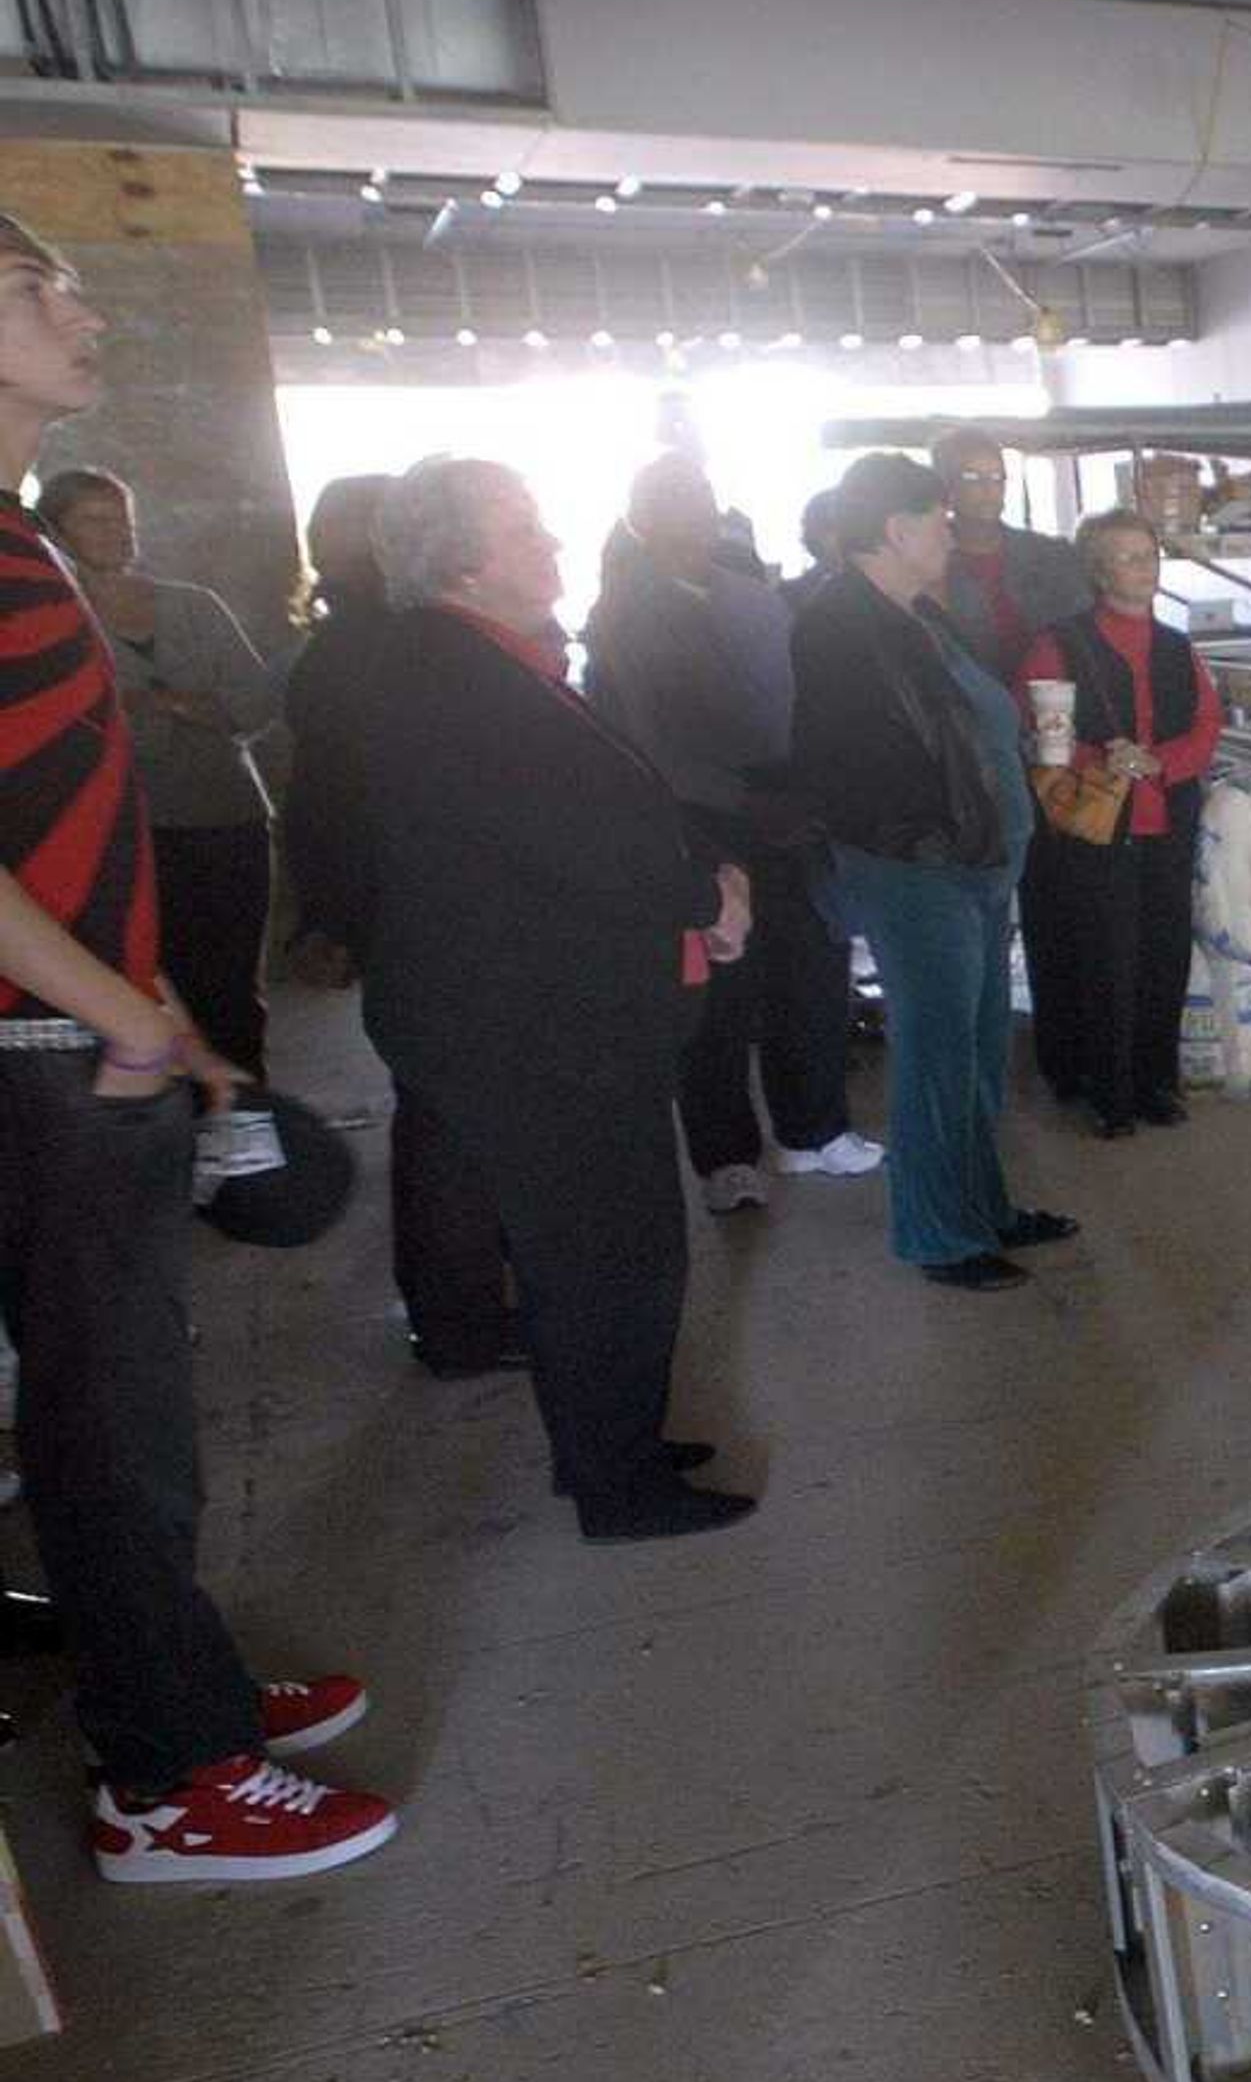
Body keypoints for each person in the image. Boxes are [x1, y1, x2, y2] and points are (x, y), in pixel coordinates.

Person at [0, 211, 393, 1881]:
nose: (83, 305)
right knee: (113, 1419)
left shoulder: (21, 545)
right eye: (40, 285)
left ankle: (183, 1674)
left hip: (80, 1030)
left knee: (122, 1404)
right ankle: (170, 1772)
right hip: (44, 1049)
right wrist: (120, 1020)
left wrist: (152, 1013)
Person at [362, 455, 758, 1543]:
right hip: (540, 1027)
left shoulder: (471, 658)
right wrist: (703, 892)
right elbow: (582, 838)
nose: (551, 541)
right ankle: (619, 1483)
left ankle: (608, 1442)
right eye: (525, 526)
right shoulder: (454, 674)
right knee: (608, 1255)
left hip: (539, 1013)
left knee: (588, 1252)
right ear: (460, 559)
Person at [788, 453, 1076, 1291]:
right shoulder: (837, 623)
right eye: (941, 520)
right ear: (897, 529)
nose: (954, 533)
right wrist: (930, 836)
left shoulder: (916, 612)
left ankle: (982, 1207)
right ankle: (938, 1234)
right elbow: (841, 766)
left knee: (978, 1048)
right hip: (921, 871)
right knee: (937, 1053)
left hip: (974, 863)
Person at [583, 453, 876, 1215]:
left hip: (787, 805)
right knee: (719, 991)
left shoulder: (750, 595)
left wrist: (807, 782)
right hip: (701, 820)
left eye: (706, 500)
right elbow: (647, 739)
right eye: (678, 503)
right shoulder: (623, 614)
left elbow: (798, 696)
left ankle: (813, 1127)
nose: (698, 517)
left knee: (810, 966)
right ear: (641, 520)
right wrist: (742, 802)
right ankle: (726, 1157)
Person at [280, 471, 524, 1380]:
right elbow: (333, 807)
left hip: (422, 917)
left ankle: (464, 1303)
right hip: (426, 923)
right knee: (449, 1130)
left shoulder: (374, 645)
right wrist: (335, 916)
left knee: (451, 1123)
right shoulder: (368, 655)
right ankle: (458, 1319)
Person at [39, 467, 283, 1082]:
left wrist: (161, 703)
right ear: (57, 532)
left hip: (223, 816)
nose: (116, 531)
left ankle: (247, 1120)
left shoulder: (193, 607)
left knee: (232, 983)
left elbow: (255, 705)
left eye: (121, 517)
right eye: (95, 520)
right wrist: (195, 704)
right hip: (128, 831)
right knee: (156, 978)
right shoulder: (54, 621)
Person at [1014, 510, 1223, 1136]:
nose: (1145, 566)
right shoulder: (1058, 644)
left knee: (1163, 954)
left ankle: (1155, 1081)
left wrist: (1160, 764)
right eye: (1129, 557)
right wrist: (1103, 757)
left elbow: (1207, 727)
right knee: (1103, 957)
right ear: (1099, 571)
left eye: (1149, 553)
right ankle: (1107, 1088)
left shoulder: (1178, 647)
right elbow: (1042, 733)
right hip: (1098, 827)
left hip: (1166, 823)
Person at [924, 426, 1092, 1098]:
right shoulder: (928, 567)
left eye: (996, 476)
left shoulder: (1051, 560)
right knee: (982, 921)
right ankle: (980, 1066)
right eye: (972, 477)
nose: (988, 490)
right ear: (944, 488)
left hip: (1054, 752)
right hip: (969, 766)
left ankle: (1066, 1055)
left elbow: (1086, 650)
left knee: (1061, 909)